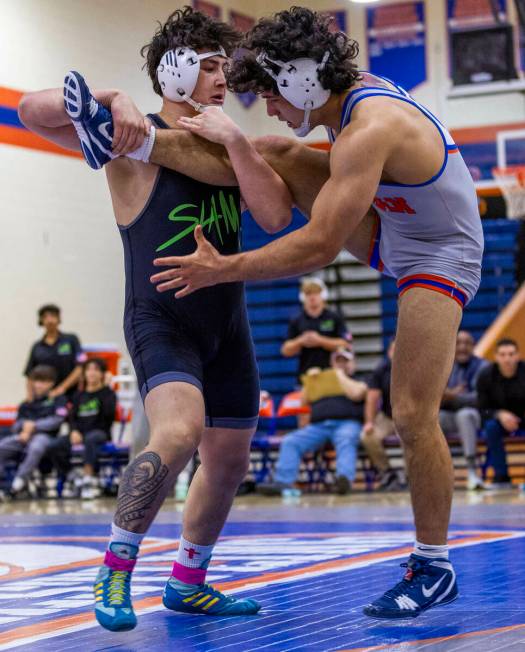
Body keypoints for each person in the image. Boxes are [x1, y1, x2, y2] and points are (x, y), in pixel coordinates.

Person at [126, 7, 483, 618]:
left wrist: (224, 268)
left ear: (299, 79)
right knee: (268, 152)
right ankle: (143, 141)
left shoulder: (371, 127)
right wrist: (146, 133)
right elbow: (282, 167)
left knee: (411, 410)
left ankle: (433, 567)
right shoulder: (340, 106)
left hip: (439, 252)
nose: (267, 105)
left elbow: (319, 246)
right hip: (400, 222)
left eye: (268, 92)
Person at [18, 7, 293, 632]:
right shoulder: (128, 138)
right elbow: (30, 113)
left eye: (226, 66)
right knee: (178, 434)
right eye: (211, 65)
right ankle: (116, 566)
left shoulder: (226, 142)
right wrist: (109, 95)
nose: (224, 77)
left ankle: (189, 581)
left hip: (228, 321)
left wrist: (236, 140)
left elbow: (276, 217)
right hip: (162, 319)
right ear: (174, 71)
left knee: (228, 460)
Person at [259, 349, 367, 496]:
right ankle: (282, 482)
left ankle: (344, 481)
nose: (341, 364)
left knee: (346, 440)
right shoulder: (321, 382)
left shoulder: (361, 379)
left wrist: (339, 375)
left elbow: (357, 394)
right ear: (331, 362)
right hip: (318, 426)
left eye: (345, 361)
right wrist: (310, 382)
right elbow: (303, 402)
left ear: (353, 363)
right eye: (338, 361)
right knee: (291, 441)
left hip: (347, 423)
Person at [48, 358, 117, 500]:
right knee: (54, 445)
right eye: (88, 369)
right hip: (79, 433)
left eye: (96, 370)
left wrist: (105, 387)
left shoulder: (108, 394)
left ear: (102, 374)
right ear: (84, 373)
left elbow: (108, 416)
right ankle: (72, 477)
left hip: (100, 432)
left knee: (90, 439)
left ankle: (87, 480)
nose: (92, 373)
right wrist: (73, 431)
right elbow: (71, 418)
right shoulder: (78, 395)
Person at [0, 365, 68, 497]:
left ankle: (18, 483)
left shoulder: (58, 400)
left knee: (36, 446)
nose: (38, 385)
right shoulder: (26, 403)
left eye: (43, 381)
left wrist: (34, 425)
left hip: (46, 437)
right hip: (24, 437)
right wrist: (24, 426)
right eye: (37, 381)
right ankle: (2, 484)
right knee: (3, 446)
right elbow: (16, 426)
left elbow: (57, 420)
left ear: (51, 383)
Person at [439, 331, 485, 490]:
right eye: (458, 343)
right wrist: (450, 396)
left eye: (467, 343)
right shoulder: (444, 366)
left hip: (476, 417)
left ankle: (472, 471)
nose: (462, 347)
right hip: (449, 416)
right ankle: (435, 474)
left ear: (473, 346)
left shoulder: (482, 366)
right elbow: (434, 398)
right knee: (428, 419)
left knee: (464, 414)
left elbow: (479, 399)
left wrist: (450, 396)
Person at [477, 338, 525, 486]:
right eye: (503, 354)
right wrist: (499, 414)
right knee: (491, 427)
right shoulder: (485, 376)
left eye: (511, 354)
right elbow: (482, 409)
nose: (507, 358)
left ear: (518, 355)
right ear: (496, 357)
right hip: (500, 420)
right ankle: (501, 476)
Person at [282, 276, 350, 382]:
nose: (312, 297)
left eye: (315, 293)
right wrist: (301, 341)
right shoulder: (297, 320)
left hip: (332, 376)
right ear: (303, 297)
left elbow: (345, 344)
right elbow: (285, 350)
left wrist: (320, 341)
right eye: (308, 294)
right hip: (305, 377)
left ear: (323, 295)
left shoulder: (334, 317)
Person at [361, 338, 405, 491]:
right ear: (389, 353)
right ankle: (387, 472)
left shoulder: (415, 369)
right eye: (394, 350)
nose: (397, 353)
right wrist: (369, 422)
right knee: (367, 436)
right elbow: (372, 397)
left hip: (409, 418)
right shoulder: (381, 369)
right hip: (387, 416)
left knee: (413, 439)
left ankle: (411, 476)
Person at [24, 304, 86, 400]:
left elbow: (80, 367)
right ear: (41, 321)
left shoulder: (71, 340)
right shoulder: (37, 346)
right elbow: (30, 375)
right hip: (44, 398)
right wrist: (30, 398)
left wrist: (61, 389)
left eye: (53, 316)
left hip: (71, 395)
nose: (49, 320)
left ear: (59, 319)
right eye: (45, 317)